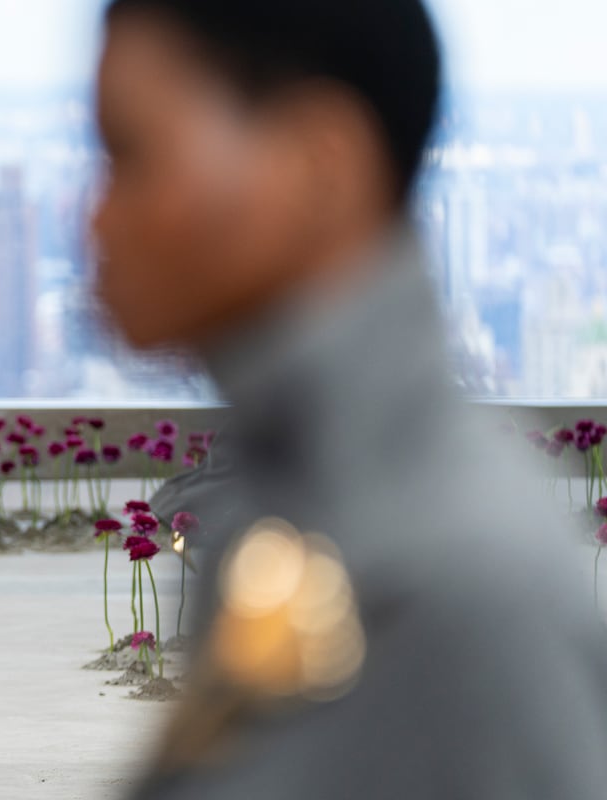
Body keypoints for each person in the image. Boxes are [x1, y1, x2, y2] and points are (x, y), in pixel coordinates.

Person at [92, 1, 607, 797]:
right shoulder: (300, 498)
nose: (95, 215)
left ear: (320, 163)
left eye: (130, 153)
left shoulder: (455, 576)